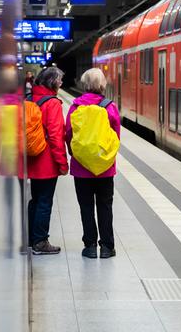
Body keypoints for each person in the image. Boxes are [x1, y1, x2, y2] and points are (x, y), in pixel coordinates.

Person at [65, 68, 121, 259]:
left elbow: (69, 134)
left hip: (81, 169)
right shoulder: (110, 107)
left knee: (86, 206)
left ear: (85, 84)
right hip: (105, 168)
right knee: (105, 205)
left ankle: (89, 246)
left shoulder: (75, 107)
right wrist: (107, 157)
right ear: (102, 84)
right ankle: (107, 247)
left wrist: (76, 155)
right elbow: (115, 137)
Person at [26, 67, 68, 255]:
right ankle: (40, 242)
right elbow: (56, 137)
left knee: (34, 200)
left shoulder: (29, 99)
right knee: (44, 201)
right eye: (59, 80)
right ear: (52, 82)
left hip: (29, 157)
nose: (61, 83)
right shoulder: (52, 104)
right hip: (46, 161)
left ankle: (30, 239)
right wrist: (62, 163)